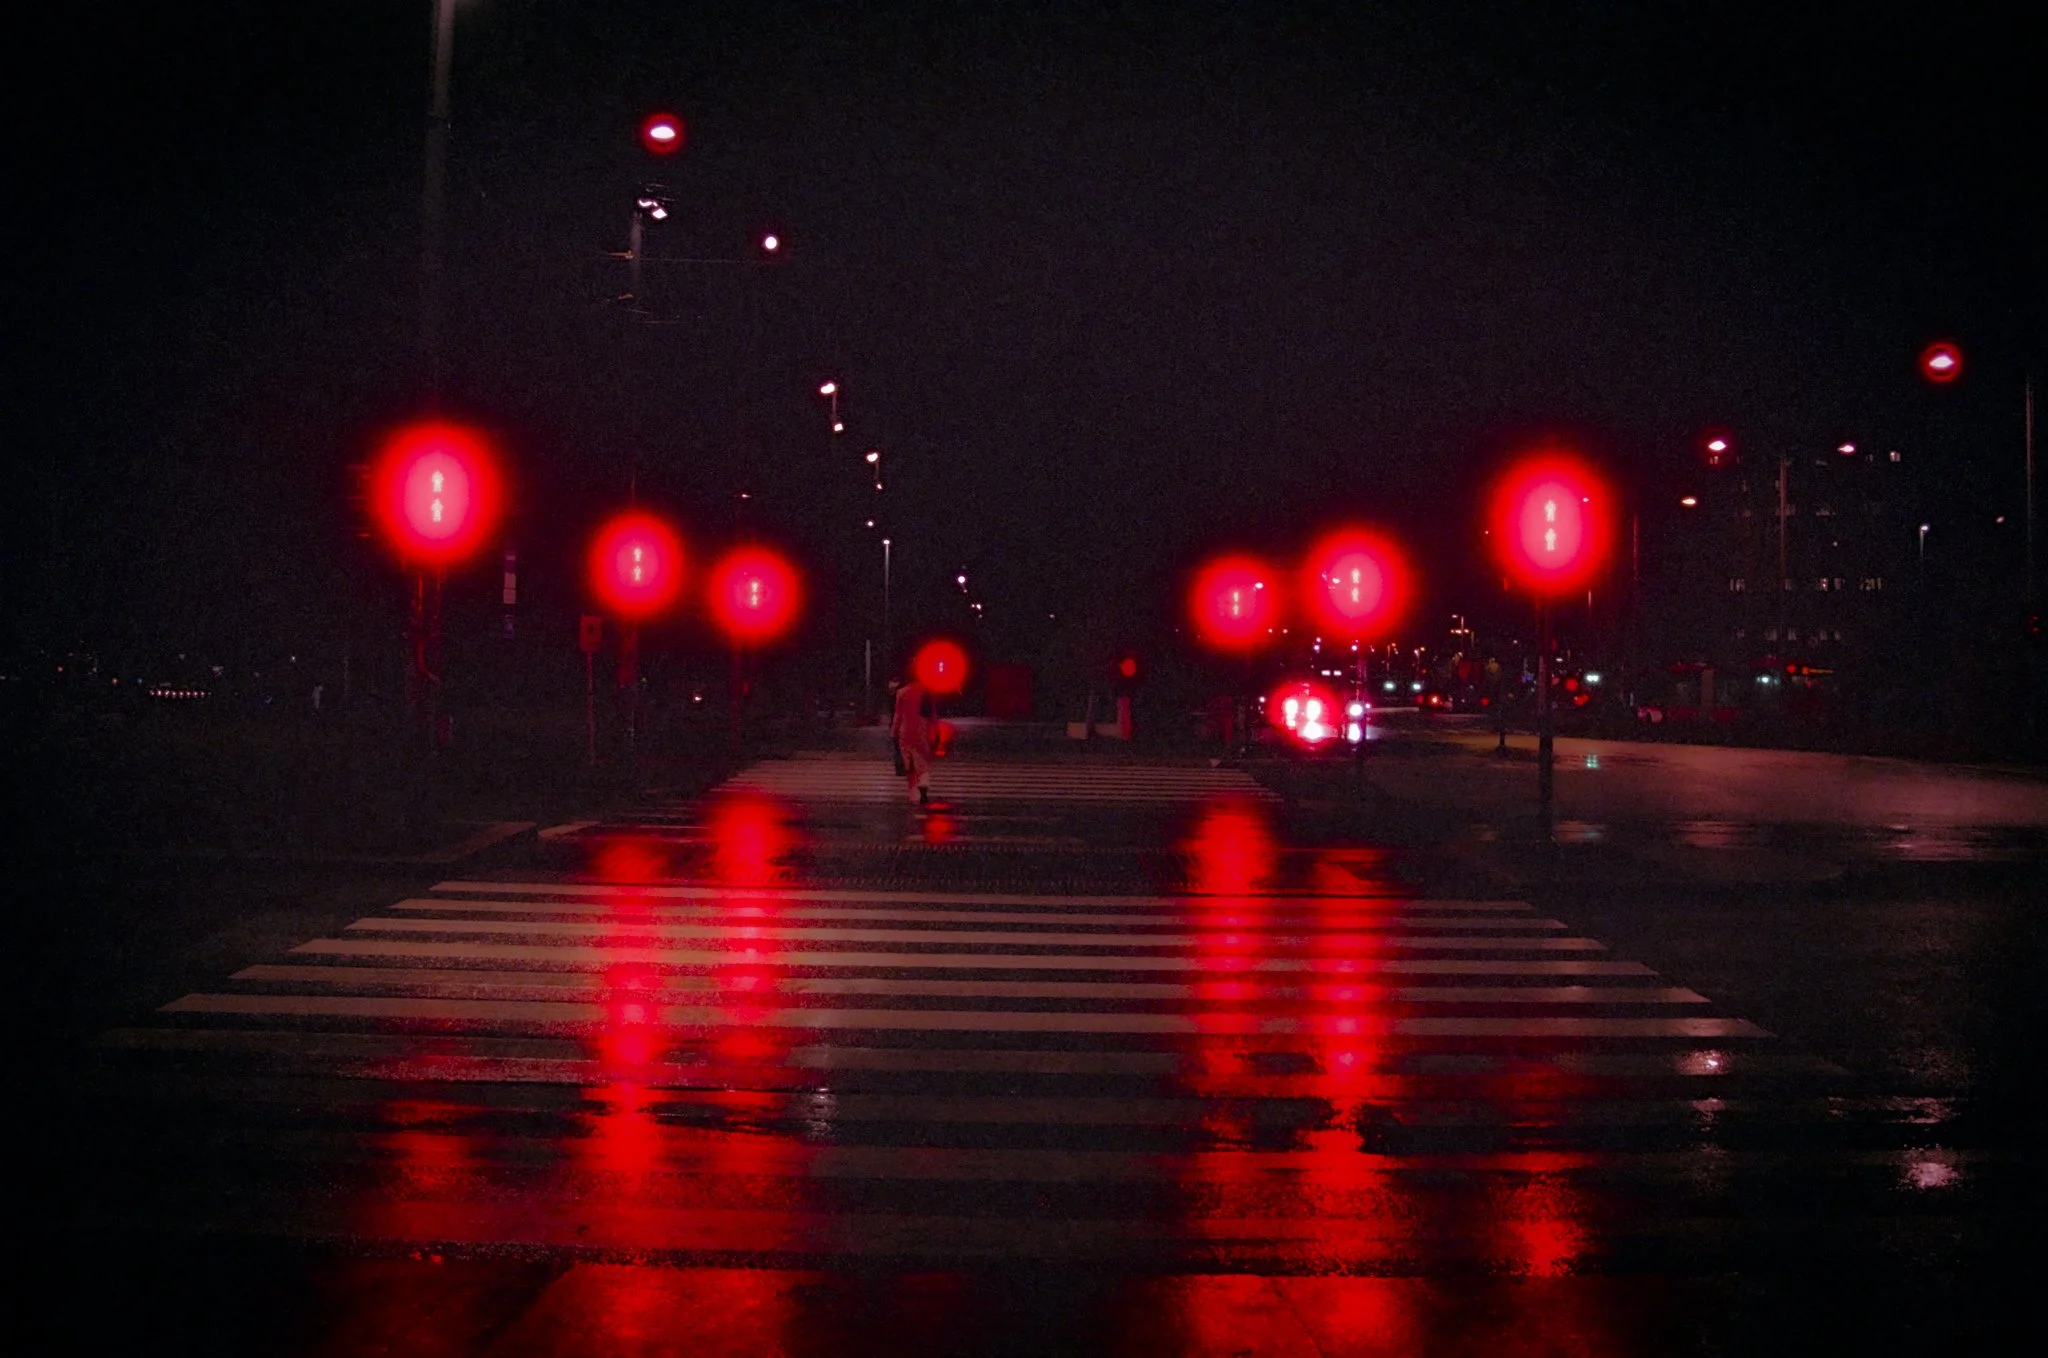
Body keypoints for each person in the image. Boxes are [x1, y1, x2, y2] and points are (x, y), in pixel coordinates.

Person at [890, 673, 937, 806]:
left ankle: (913, 795)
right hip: (922, 731)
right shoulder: (927, 692)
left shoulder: (902, 693)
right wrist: (936, 731)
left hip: (905, 732)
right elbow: (932, 714)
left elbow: (898, 715)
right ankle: (924, 783)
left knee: (909, 764)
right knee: (923, 761)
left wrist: (894, 731)